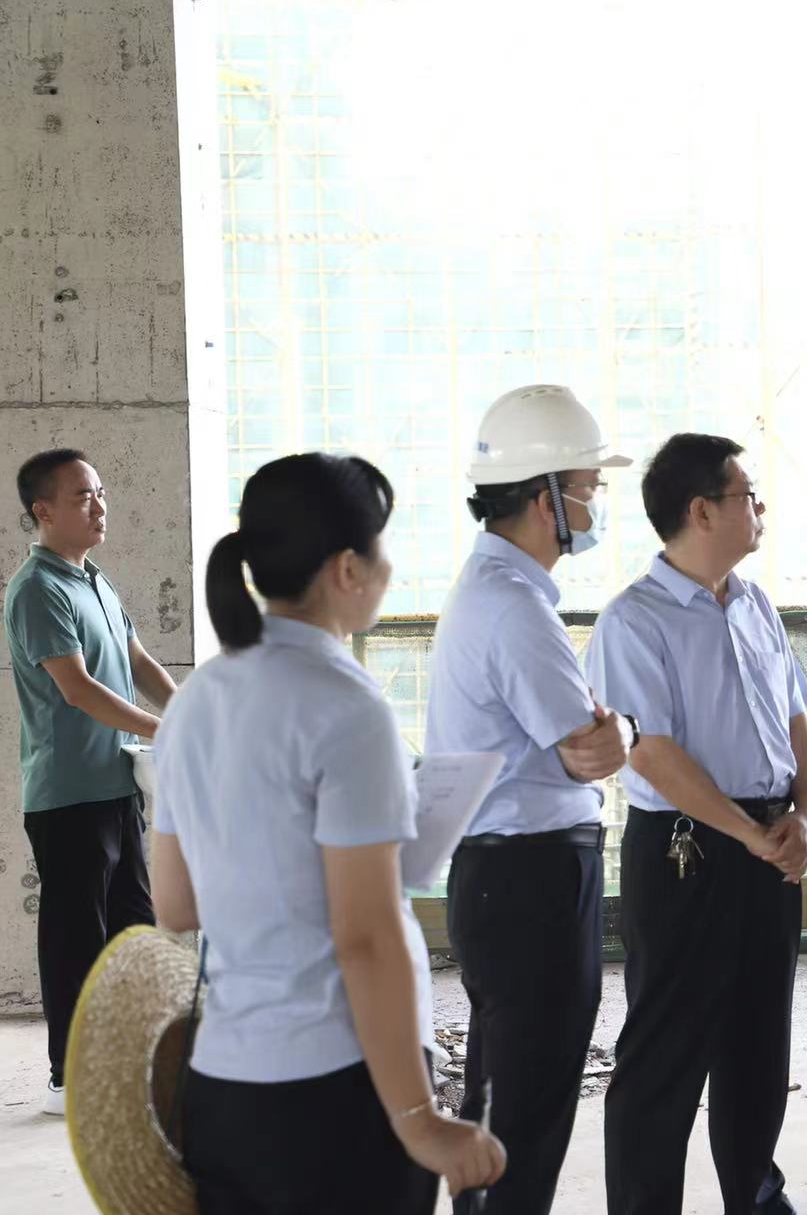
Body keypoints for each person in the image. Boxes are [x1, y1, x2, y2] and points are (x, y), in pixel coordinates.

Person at [149, 452, 505, 1213]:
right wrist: (419, 1119)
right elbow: (366, 936)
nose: (389, 566)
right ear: (348, 567)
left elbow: (176, 905)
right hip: (336, 1093)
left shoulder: (194, 700)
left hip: (222, 1088)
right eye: (383, 545)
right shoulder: (346, 707)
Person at [589, 434, 807, 1215]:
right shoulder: (634, 620)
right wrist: (748, 836)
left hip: (772, 843)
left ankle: (755, 1196)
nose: (760, 508)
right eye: (747, 495)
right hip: (685, 852)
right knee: (666, 1054)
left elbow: (795, 718)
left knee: (759, 1046)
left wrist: (804, 814)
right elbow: (651, 753)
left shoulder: (754, 604)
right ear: (702, 510)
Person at [426, 383, 632, 1215]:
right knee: (528, 1105)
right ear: (547, 500)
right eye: (589, 486)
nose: (595, 502)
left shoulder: (496, 592)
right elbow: (589, 752)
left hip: (507, 875)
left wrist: (611, 731)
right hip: (531, 878)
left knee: (504, 1096)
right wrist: (624, 731)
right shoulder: (513, 606)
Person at [4, 449, 175, 1116]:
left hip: (117, 784)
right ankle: (69, 1079)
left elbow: (138, 662)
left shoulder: (94, 580)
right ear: (43, 511)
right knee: (77, 940)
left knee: (133, 930)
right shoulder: (37, 589)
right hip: (69, 796)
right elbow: (77, 689)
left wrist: (185, 713)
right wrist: (163, 730)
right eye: (83, 496)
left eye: (100, 492)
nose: (100, 505)